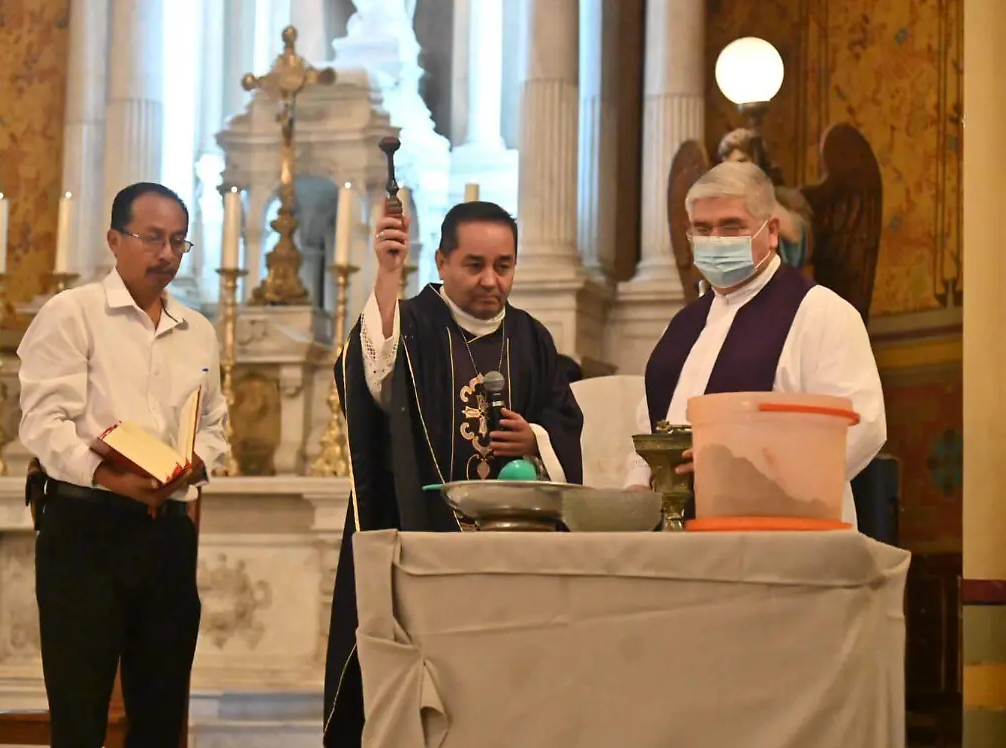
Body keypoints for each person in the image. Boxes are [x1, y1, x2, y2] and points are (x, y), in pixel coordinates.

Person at [322, 200, 584, 747]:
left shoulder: (532, 338)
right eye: (474, 264)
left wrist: (536, 438)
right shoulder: (413, 322)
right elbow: (370, 382)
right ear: (441, 262)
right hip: (427, 549)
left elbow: (564, 420)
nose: (491, 280)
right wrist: (388, 275)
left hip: (514, 561)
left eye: (504, 265)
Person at [17, 182, 229, 748]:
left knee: (161, 711)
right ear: (115, 240)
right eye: (152, 238)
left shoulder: (199, 331)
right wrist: (113, 477)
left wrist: (193, 465)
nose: (166, 254)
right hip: (84, 530)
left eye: (178, 242)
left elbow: (215, 428)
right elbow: (43, 423)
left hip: (166, 532)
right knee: (79, 708)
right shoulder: (73, 313)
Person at [624, 161, 885, 525]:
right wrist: (638, 482)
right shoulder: (684, 326)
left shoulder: (820, 312)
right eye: (702, 229)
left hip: (779, 534)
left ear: (772, 231)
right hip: (677, 537)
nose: (715, 240)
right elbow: (650, 420)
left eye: (731, 226)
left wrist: (744, 468)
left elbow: (861, 425)